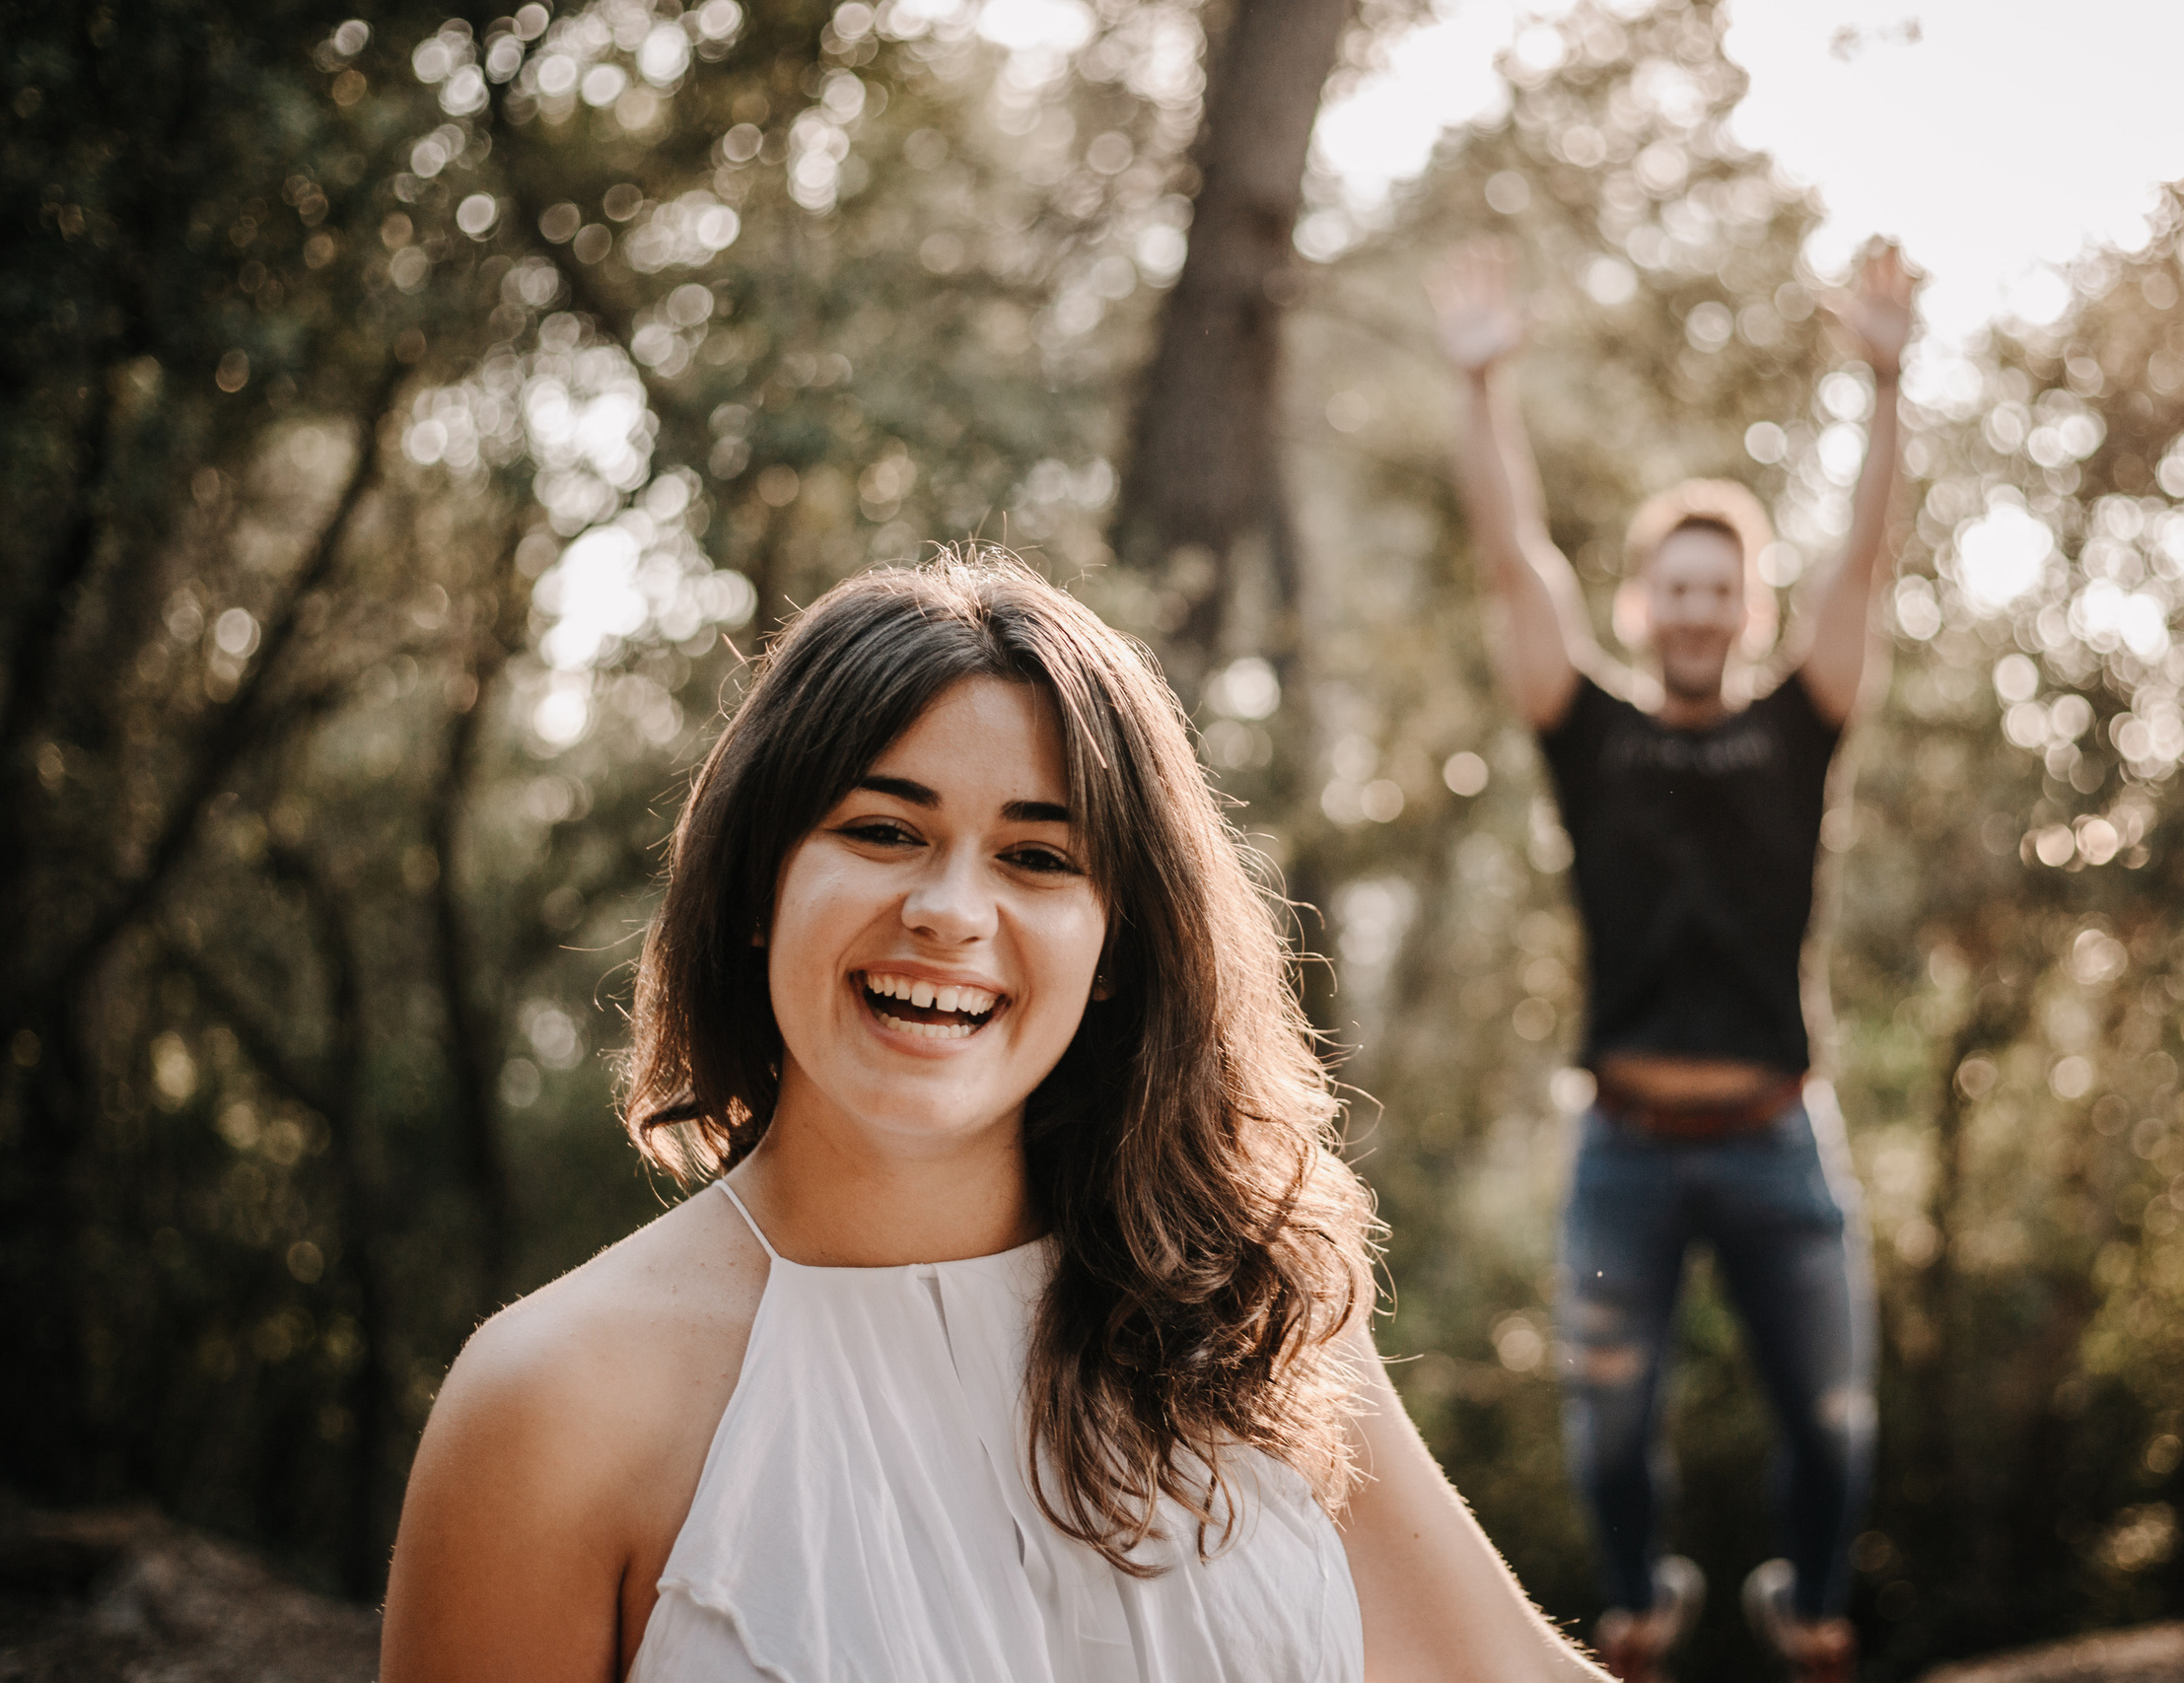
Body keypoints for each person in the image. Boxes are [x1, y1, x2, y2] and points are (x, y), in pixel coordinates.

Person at [380, 550, 1616, 1683]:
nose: (949, 911)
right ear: (759, 884)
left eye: (1038, 858)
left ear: (1120, 942)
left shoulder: (1248, 1314)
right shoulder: (551, 1407)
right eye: (881, 830)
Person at [1426, 239, 1916, 1683]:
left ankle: (1808, 1616)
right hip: (1625, 1149)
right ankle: (1637, 1618)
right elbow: (1511, 561)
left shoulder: (1798, 723)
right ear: (1642, 603)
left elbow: (1867, 556)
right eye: (1676, 588)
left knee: (1833, 1419)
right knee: (1606, 1427)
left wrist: (1887, 382)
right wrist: (1482, 384)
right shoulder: (1589, 732)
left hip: (1778, 1141)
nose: (1699, 609)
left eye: (1724, 590)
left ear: (1748, 609)